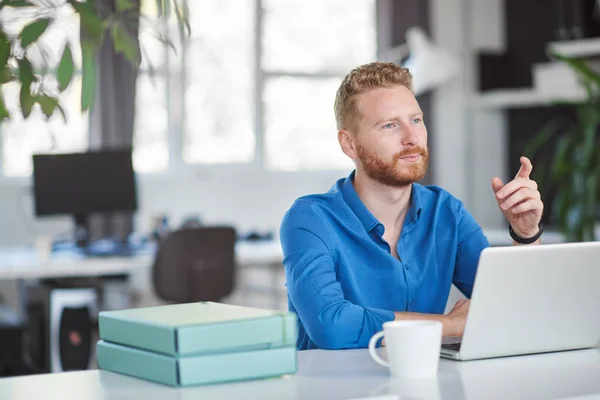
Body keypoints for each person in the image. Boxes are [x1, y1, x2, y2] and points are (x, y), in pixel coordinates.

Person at [279, 62, 544, 351]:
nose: (411, 138)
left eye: (416, 120)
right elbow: (331, 325)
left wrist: (525, 234)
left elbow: (509, 308)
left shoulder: (446, 213)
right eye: (390, 125)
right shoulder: (309, 219)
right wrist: (450, 325)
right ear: (349, 144)